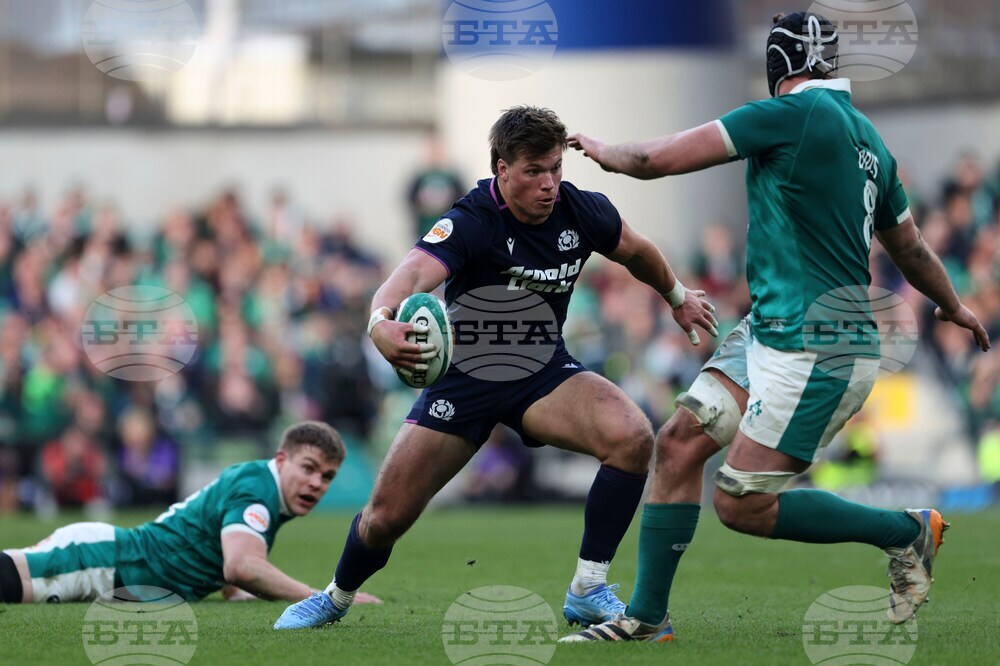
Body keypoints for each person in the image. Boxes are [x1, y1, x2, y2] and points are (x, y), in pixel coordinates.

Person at [562, 11, 991, 643]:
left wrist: (604, 152)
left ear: (778, 66)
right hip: (773, 334)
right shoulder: (871, 140)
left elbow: (654, 159)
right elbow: (913, 249)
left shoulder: (787, 115)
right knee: (678, 444)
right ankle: (648, 620)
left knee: (739, 504)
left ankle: (906, 532)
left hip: (818, 350)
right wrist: (952, 305)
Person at [273, 105, 718, 630]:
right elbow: (413, 271)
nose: (549, 183)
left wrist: (676, 294)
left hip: (543, 372)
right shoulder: (472, 219)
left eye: (555, 168)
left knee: (632, 436)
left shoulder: (582, 211)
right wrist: (378, 322)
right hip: (467, 379)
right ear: (501, 169)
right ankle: (336, 596)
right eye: (534, 171)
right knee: (386, 517)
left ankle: (588, 588)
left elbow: (637, 250)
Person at [0, 421, 378, 605]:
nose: (317, 483)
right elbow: (241, 565)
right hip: (101, 563)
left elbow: (214, 543)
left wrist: (235, 592)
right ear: (282, 460)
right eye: (309, 468)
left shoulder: (262, 486)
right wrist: (322, 599)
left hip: (115, 567)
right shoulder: (257, 489)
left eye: (327, 476)